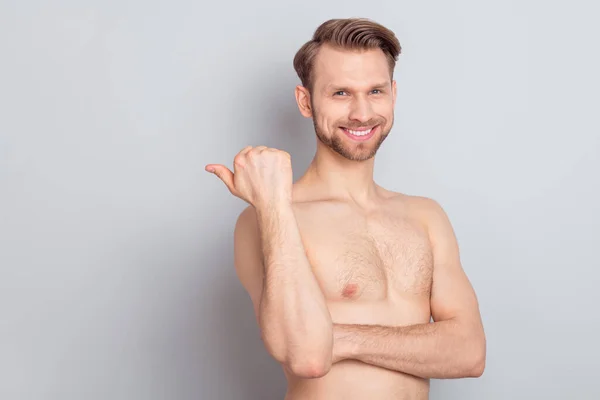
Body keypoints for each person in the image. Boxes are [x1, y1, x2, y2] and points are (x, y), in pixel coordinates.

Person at [205, 17, 486, 400]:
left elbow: (469, 353)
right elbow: (306, 357)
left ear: (394, 95)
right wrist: (273, 204)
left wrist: (338, 338)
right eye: (340, 93)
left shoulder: (425, 216)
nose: (361, 112)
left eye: (375, 91)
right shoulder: (270, 218)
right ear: (306, 101)